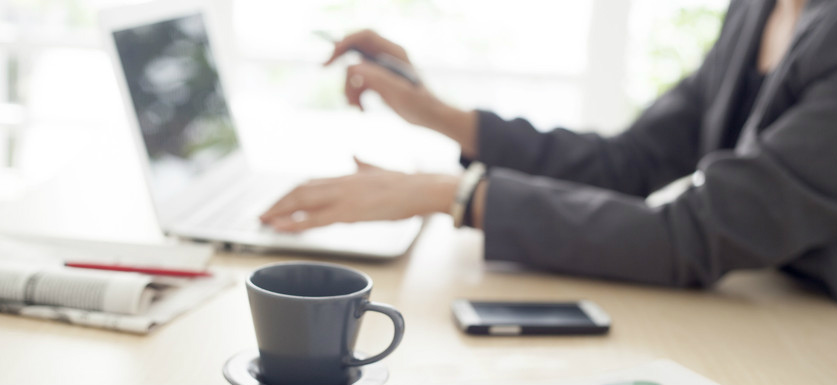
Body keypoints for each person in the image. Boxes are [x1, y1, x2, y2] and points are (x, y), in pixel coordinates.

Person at [261, 0, 837, 300]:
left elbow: (692, 236)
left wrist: (448, 194)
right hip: (776, 301)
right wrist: (442, 117)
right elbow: (631, 163)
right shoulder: (759, 11)